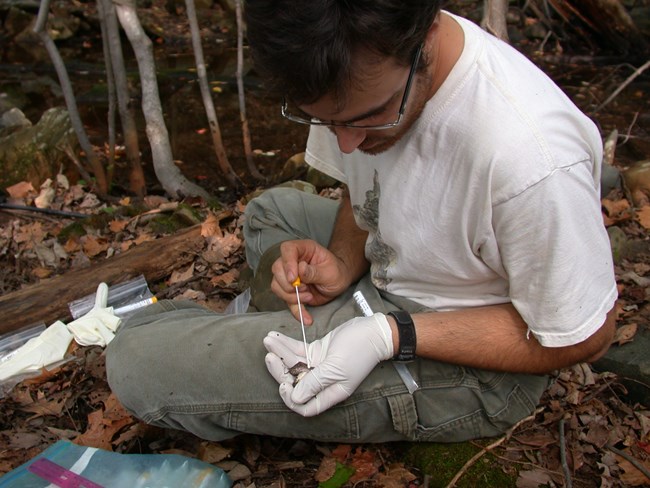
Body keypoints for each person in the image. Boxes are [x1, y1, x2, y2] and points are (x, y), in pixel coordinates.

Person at [106, 0, 618, 443]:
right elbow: (363, 181)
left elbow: (582, 336)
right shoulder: (357, 62)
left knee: (135, 358)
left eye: (367, 117)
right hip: (402, 269)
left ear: (427, 39)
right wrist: (345, 260)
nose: (344, 141)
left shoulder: (532, 158)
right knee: (272, 211)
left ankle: (263, 339)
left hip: (478, 360)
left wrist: (387, 336)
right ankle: (288, 330)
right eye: (326, 120)